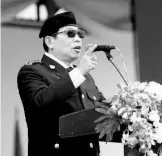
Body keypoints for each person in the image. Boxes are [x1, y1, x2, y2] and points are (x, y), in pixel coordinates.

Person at [17, 11, 108, 156]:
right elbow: (41, 101)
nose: (78, 39)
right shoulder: (32, 71)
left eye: (80, 34)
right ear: (49, 41)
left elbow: (104, 113)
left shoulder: (86, 77)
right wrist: (80, 71)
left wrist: (129, 108)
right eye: (70, 34)